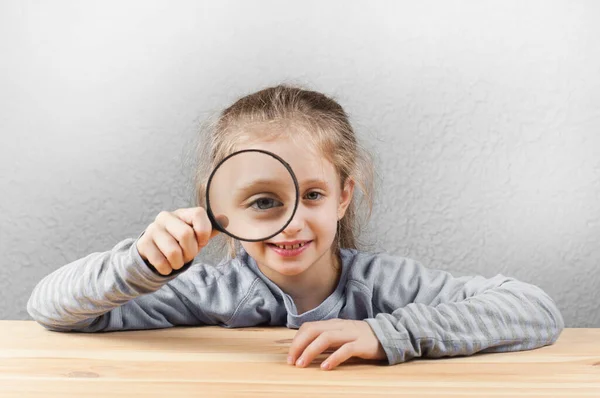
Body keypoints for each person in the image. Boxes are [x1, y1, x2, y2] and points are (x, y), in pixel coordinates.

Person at [27, 85, 564, 371]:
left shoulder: (386, 288)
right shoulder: (211, 292)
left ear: (343, 198)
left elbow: (535, 309)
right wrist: (138, 265)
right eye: (264, 201)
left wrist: (388, 333)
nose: (293, 221)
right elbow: (48, 308)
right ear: (221, 210)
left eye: (312, 195)